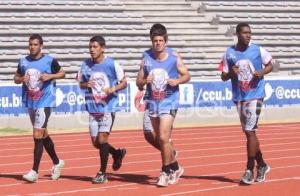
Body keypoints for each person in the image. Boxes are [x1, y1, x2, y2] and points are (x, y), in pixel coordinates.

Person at [136, 23, 190, 187]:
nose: (158, 43)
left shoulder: (174, 57)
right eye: (155, 40)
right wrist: (145, 81)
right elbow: (138, 82)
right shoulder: (146, 57)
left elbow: (187, 75)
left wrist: (177, 80)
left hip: (170, 101)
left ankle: (165, 171)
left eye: (160, 40)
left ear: (165, 41)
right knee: (157, 138)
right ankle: (175, 166)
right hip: (153, 102)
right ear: (151, 42)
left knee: (163, 137)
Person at [221, 23, 272, 185]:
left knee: (250, 130)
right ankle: (262, 164)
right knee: (249, 133)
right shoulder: (229, 53)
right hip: (239, 96)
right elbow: (223, 76)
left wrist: (261, 72)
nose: (248, 35)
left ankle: (250, 169)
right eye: (244, 33)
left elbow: (271, 64)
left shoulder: (258, 50)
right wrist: (231, 73)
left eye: (250, 33)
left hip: (256, 94)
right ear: (237, 34)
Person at [14, 34, 65, 182]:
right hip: (31, 102)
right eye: (30, 44)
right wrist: (21, 79)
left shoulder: (49, 60)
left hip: (46, 101)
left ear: (41, 46)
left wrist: (50, 76)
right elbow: (16, 78)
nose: (32, 47)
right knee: (43, 135)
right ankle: (57, 162)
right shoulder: (23, 61)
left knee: (37, 134)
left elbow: (62, 73)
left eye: (35, 44)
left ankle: (34, 172)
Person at [77, 35, 127, 184]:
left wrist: (112, 89)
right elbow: (80, 84)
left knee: (103, 139)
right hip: (93, 108)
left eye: (95, 47)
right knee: (96, 143)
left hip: (108, 107)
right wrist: (87, 85)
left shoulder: (112, 64)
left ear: (103, 48)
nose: (92, 50)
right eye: (90, 47)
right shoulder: (85, 65)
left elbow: (124, 83)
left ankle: (102, 173)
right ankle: (117, 153)